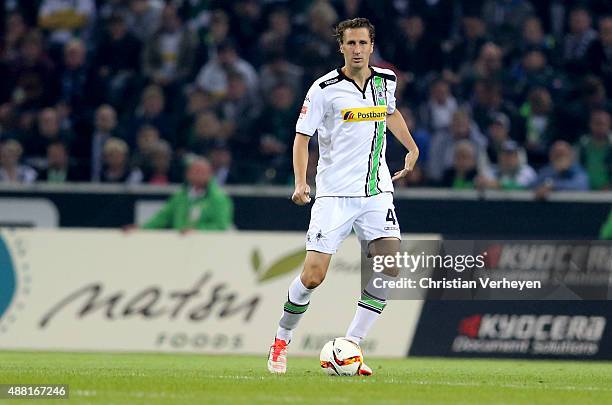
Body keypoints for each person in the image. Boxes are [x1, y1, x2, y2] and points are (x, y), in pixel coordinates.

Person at [267, 18, 419, 376]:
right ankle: (281, 338)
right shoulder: (323, 88)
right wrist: (301, 182)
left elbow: (391, 113)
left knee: (390, 266)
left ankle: (351, 345)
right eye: (350, 43)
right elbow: (302, 137)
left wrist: (410, 148)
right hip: (334, 195)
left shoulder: (387, 81)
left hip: (376, 192)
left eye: (362, 43)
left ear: (371, 45)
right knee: (313, 276)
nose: (356, 49)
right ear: (341, 47)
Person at [141, 157, 233, 231]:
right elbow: (162, 217)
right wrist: (141, 228)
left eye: (202, 172)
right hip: (180, 244)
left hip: (207, 245)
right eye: (195, 171)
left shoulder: (219, 198)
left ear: (210, 174)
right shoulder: (180, 196)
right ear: (187, 174)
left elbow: (221, 226)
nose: (198, 175)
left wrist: (197, 230)